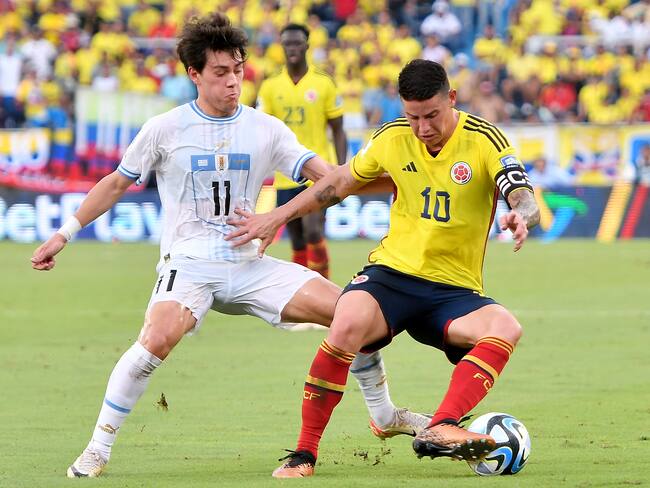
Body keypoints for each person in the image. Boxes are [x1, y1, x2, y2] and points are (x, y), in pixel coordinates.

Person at [30, 14, 429, 479]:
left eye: (238, 70)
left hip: (248, 263)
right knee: (157, 338)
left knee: (352, 314)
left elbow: (331, 177)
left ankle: (384, 415)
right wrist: (64, 234)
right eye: (221, 73)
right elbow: (117, 184)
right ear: (194, 74)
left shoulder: (265, 129)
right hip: (190, 263)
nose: (233, 81)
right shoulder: (166, 128)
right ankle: (98, 447)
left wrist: (396, 183)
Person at [227, 59, 541, 478]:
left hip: (453, 290)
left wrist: (522, 215)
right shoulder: (392, 137)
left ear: (451, 98)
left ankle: (442, 426)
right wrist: (277, 216)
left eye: (432, 115)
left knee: (506, 328)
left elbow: (521, 193)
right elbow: (338, 184)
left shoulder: (484, 138)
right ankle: (304, 454)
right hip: (391, 275)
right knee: (346, 321)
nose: (423, 127)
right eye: (413, 116)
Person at [256, 23, 347, 279]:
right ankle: (307, 296)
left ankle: (325, 292)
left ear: (307, 45)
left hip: (319, 173)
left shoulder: (323, 83)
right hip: (286, 175)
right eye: (287, 43)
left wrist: (341, 170)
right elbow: (263, 131)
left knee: (313, 231)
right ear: (281, 47)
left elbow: (338, 129)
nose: (292, 48)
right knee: (296, 240)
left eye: (297, 43)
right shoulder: (271, 86)